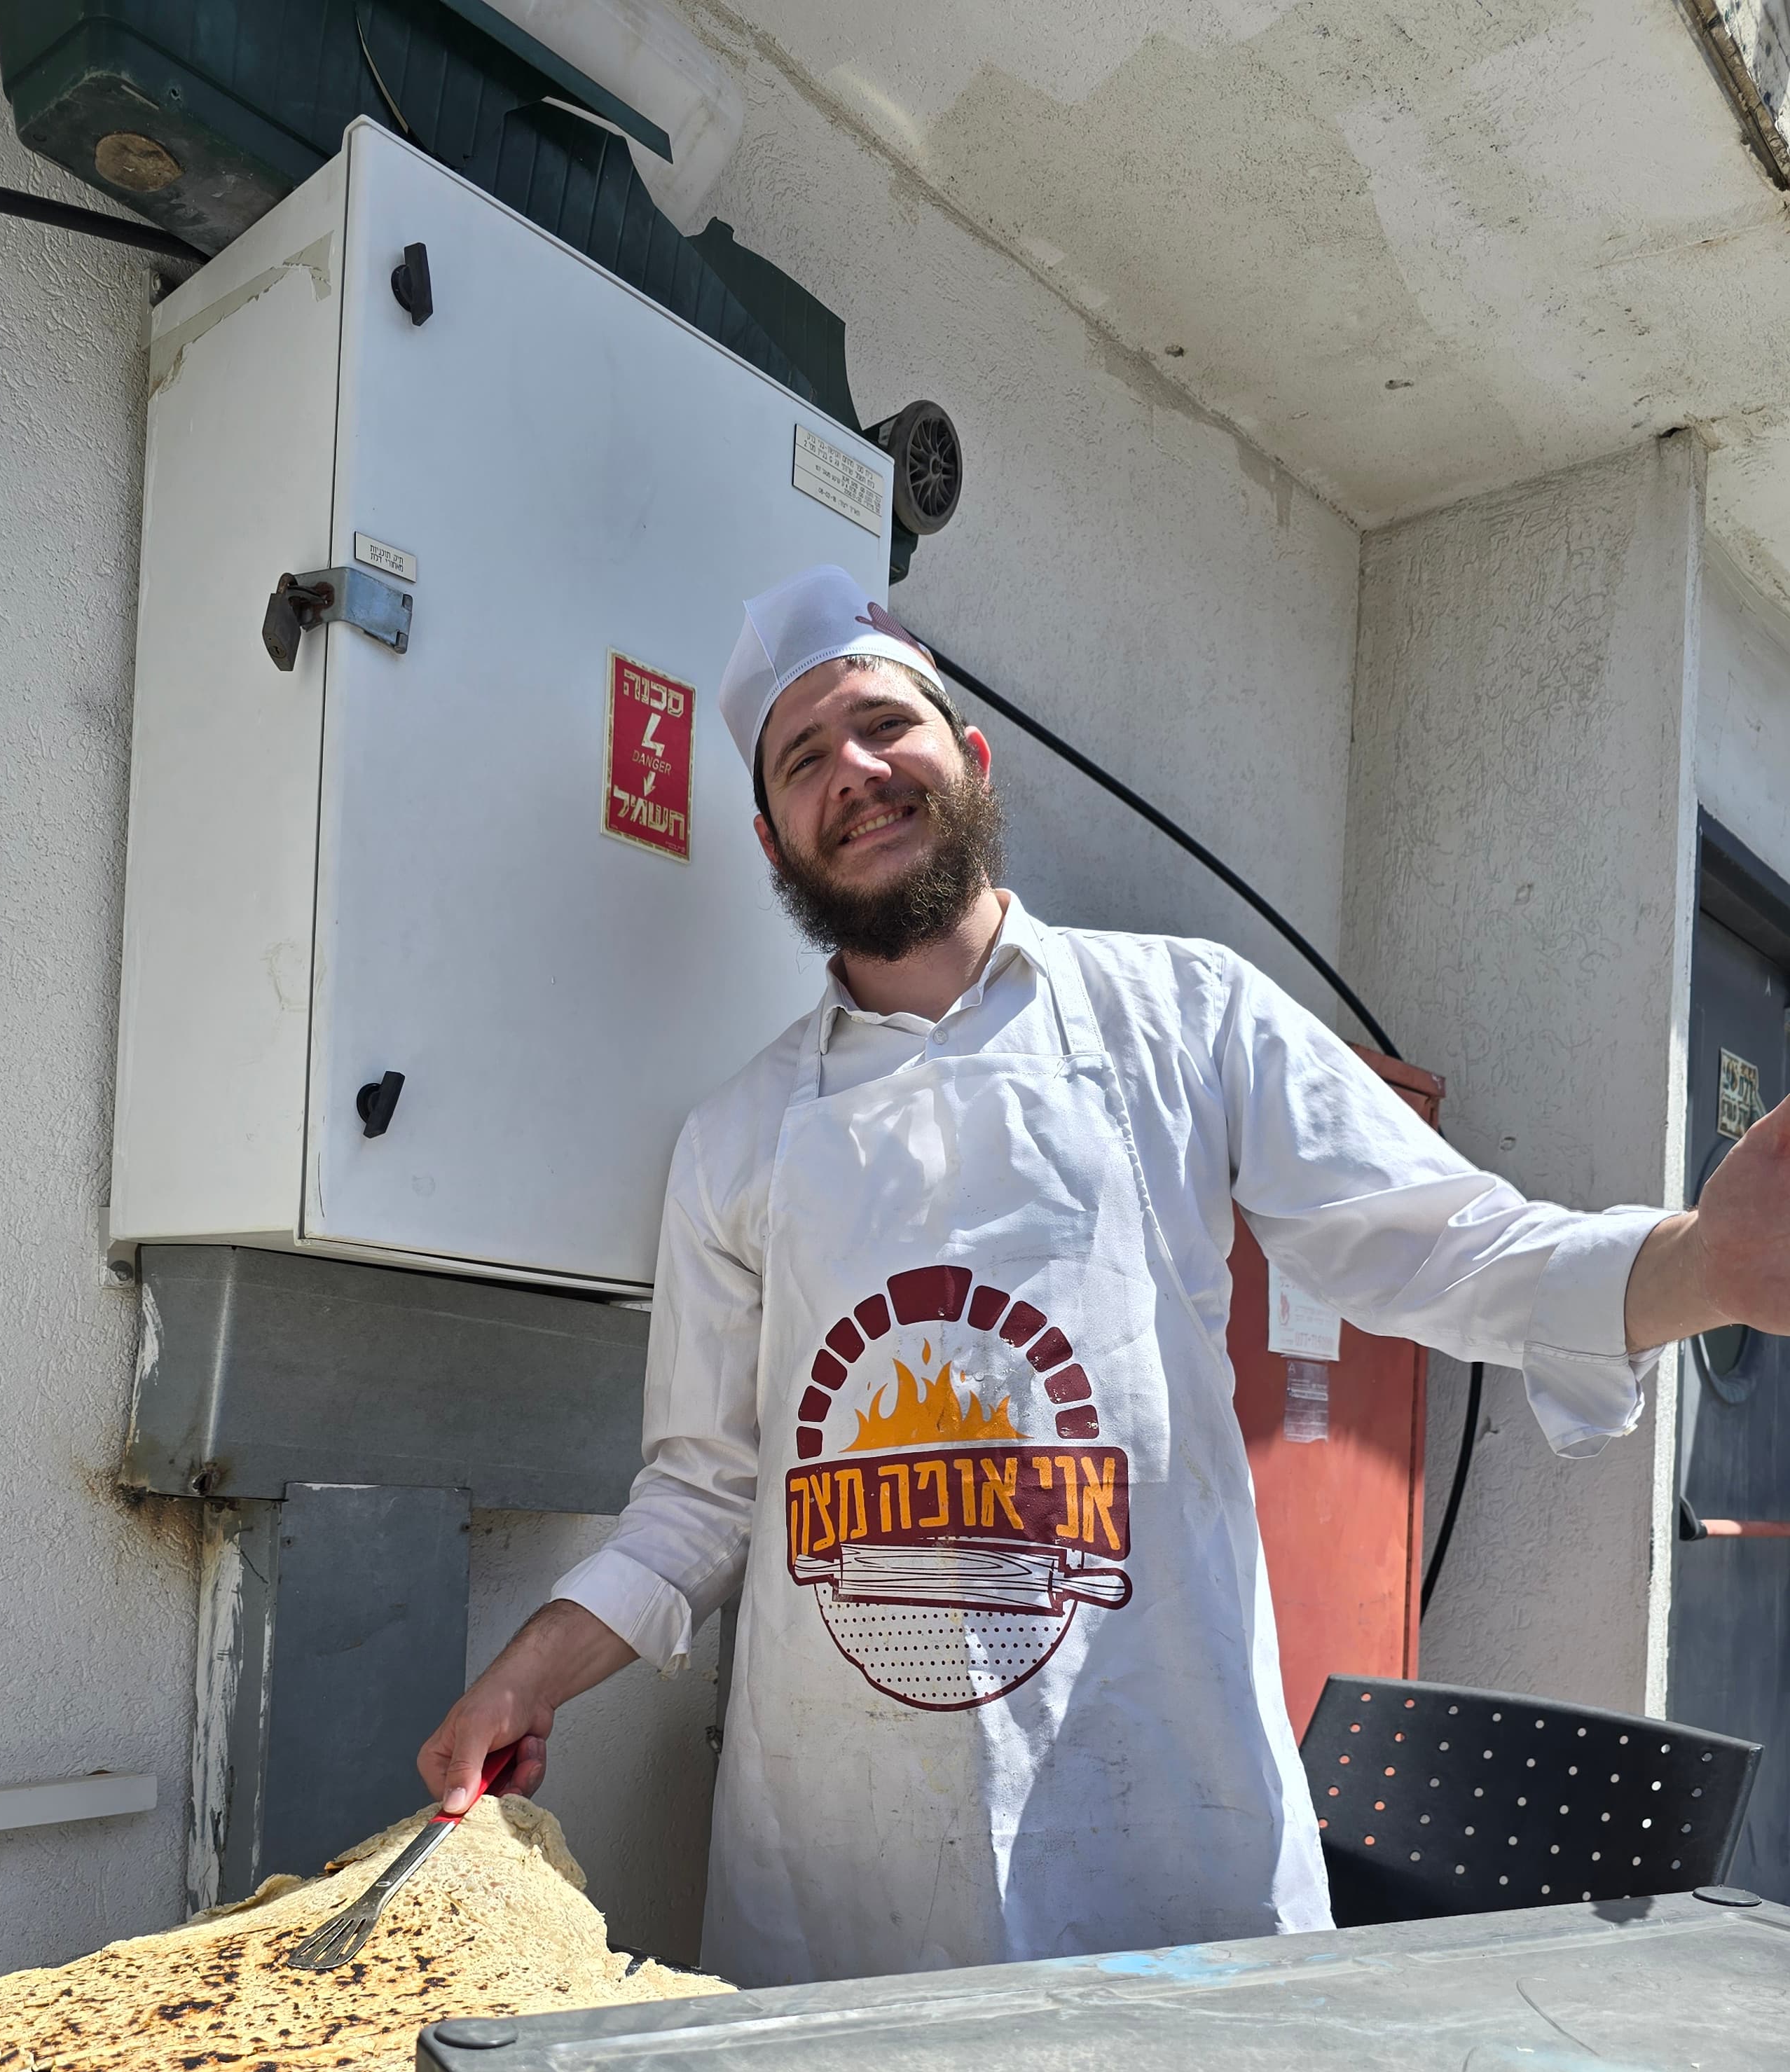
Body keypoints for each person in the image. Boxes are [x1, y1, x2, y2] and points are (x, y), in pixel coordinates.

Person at [420, 563, 1790, 1985]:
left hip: (1156, 1842)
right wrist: (526, 1674)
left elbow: (1441, 1242)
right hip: (840, 1875)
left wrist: (1705, 1266)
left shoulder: (1187, 1016)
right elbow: (701, 1496)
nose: (858, 772)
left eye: (886, 726)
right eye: (807, 758)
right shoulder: (736, 1141)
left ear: (970, 759)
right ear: (774, 836)